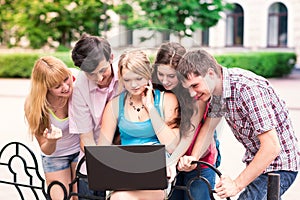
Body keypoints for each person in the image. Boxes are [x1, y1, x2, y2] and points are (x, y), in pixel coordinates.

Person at [176, 49, 300, 199]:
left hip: (279, 165)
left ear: (210, 74)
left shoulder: (247, 89)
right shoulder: (217, 90)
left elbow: (272, 147)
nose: (192, 94)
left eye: (195, 85)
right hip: (258, 163)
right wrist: (193, 158)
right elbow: (208, 129)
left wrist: (236, 185)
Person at [98, 49, 180, 199]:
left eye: (139, 78)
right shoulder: (114, 105)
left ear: (148, 74)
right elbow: (101, 151)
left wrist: (150, 108)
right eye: (127, 80)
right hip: (126, 176)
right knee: (120, 197)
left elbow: (172, 146)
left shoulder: (167, 100)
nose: (133, 85)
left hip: (156, 177)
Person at [152, 42, 219, 200]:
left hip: (198, 159)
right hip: (171, 159)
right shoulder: (156, 89)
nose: (165, 81)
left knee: (196, 195)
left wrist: (184, 159)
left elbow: (191, 132)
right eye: (161, 74)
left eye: (171, 76)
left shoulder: (195, 92)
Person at [69, 34, 119, 198]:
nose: (98, 79)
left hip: (127, 154)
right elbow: (86, 138)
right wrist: (103, 160)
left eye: (102, 70)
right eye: (91, 74)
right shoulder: (80, 88)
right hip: (93, 160)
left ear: (111, 57)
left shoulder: (129, 75)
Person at [24, 56, 80, 200]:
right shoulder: (35, 106)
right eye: (57, 86)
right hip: (55, 156)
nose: (66, 87)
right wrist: (52, 141)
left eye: (66, 79)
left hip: (80, 149)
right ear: (45, 88)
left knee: (80, 197)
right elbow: (45, 148)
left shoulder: (77, 78)